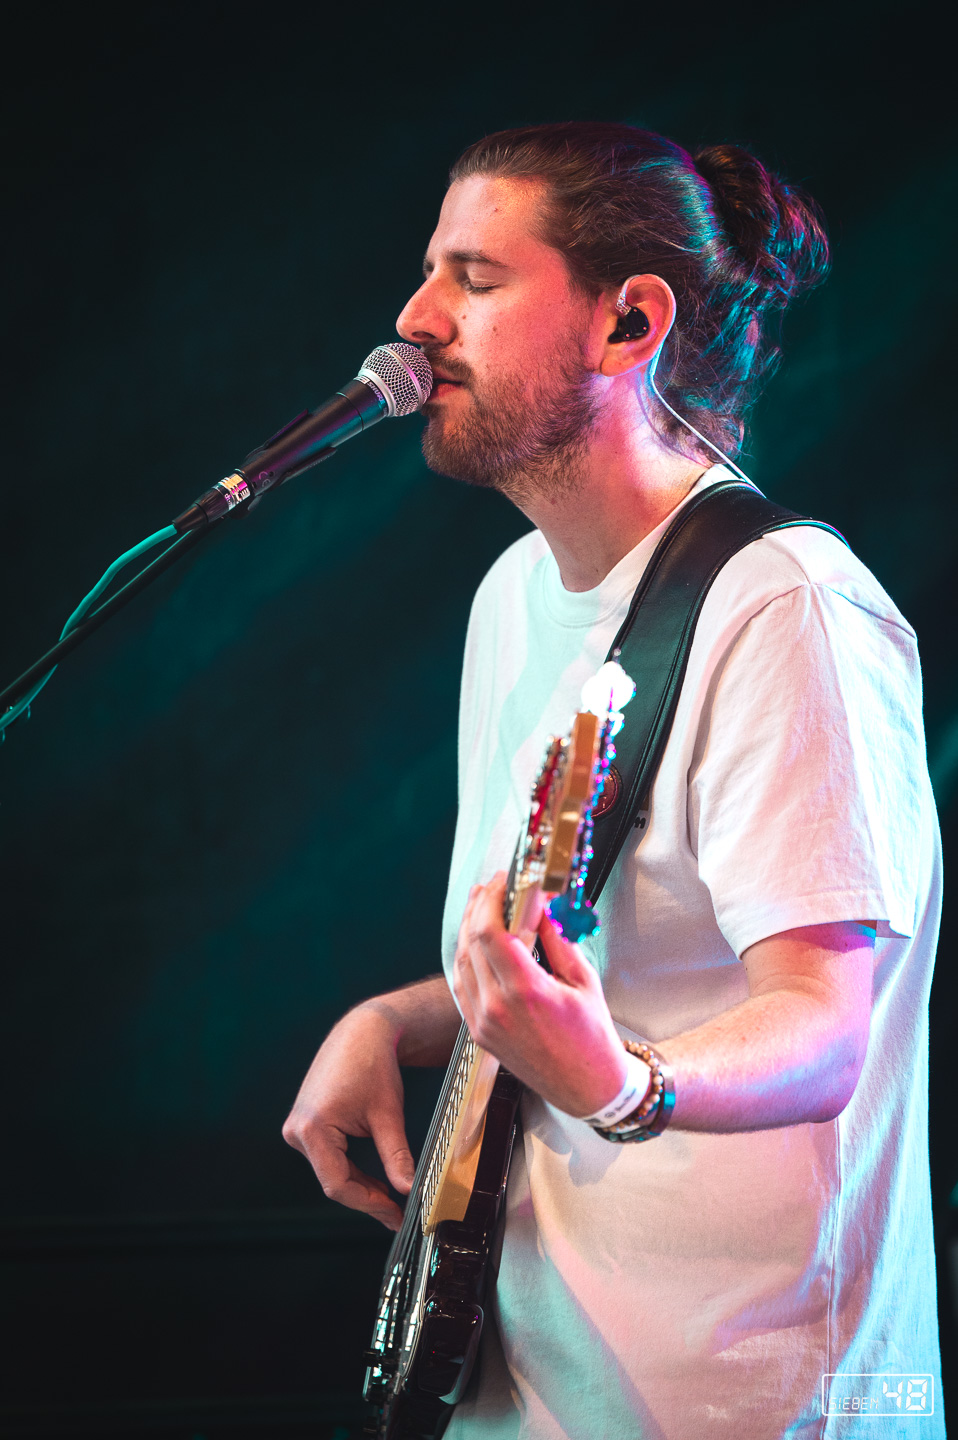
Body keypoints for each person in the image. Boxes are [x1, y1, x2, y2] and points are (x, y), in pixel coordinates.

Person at [283, 123, 945, 1438]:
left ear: (628, 322)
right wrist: (402, 1019)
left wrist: (625, 1089)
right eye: (431, 270)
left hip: (739, 1402)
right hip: (520, 1383)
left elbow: (824, 1027)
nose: (415, 320)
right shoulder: (513, 594)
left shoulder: (786, 608)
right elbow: (593, 961)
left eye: (475, 278)